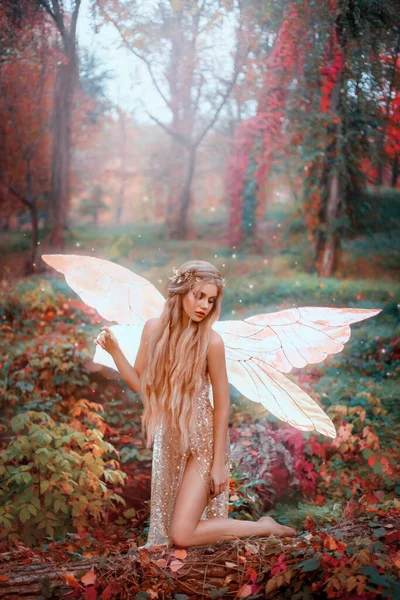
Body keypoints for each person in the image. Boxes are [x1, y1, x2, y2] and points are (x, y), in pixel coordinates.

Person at [95, 260, 296, 548]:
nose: (204, 305)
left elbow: (223, 402)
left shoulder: (211, 342)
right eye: (198, 296)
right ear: (181, 292)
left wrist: (218, 464)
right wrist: (115, 352)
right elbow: (141, 385)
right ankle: (256, 528)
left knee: (182, 535)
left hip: (203, 442)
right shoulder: (153, 330)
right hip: (171, 438)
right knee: (174, 532)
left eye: (211, 300)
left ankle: (264, 527)